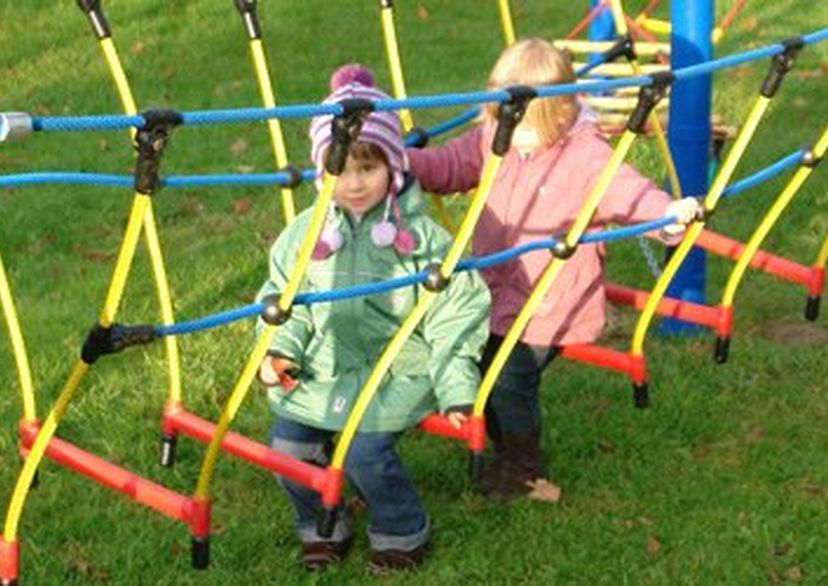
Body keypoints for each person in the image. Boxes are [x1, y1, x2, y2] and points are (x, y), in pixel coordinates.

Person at [407, 38, 700, 503]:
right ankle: (499, 444)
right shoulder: (494, 136)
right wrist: (398, 162)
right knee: (480, 365)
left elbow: (629, 193)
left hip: (549, 299)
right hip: (491, 288)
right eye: (505, 121)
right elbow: (447, 166)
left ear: (563, 116)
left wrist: (669, 215)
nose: (513, 136)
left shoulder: (585, 156)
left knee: (511, 379)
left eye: (526, 127)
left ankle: (523, 465)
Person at [255, 64, 490, 573]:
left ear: (395, 167)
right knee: (287, 447)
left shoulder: (420, 239)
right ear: (323, 171)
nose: (355, 184)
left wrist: (455, 389)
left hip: (398, 368)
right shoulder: (304, 235)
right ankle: (323, 523)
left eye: (370, 169)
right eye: (342, 170)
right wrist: (280, 350)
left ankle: (402, 529)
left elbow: (457, 313)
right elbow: (284, 299)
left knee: (364, 452)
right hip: (323, 366)